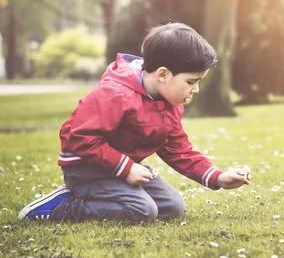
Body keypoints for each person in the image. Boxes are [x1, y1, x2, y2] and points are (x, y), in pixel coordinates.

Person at [18, 23, 251, 222]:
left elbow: (178, 148)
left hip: (120, 168)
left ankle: (115, 192)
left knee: (173, 207)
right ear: (163, 75)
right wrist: (127, 168)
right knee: (144, 210)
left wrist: (217, 177)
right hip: (86, 169)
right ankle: (64, 206)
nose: (196, 89)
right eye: (191, 81)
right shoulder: (115, 94)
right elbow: (81, 138)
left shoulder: (170, 103)